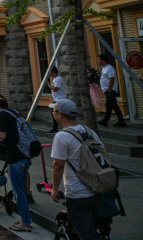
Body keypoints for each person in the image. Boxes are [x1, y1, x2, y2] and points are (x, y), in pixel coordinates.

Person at [50, 99, 105, 240]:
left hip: (77, 193)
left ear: (60, 115)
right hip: (96, 189)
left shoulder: (62, 136)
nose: (53, 114)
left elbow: (58, 165)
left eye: (54, 111)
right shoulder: (89, 131)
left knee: (86, 234)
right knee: (92, 229)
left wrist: (55, 188)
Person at [0, 93, 33, 233]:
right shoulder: (14, 112)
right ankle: (25, 218)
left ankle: (25, 223)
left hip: (14, 156)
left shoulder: (1, 115)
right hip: (26, 153)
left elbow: (2, 135)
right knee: (23, 186)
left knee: (18, 191)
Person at [98, 54, 126, 127]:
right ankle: (121, 120)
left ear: (103, 60)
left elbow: (112, 79)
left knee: (109, 105)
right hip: (107, 90)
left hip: (111, 90)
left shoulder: (109, 68)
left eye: (99, 59)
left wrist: (109, 89)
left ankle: (106, 120)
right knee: (113, 105)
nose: (98, 60)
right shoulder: (104, 68)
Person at [48, 67, 66, 133]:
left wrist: (48, 84)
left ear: (53, 72)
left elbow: (55, 89)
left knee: (55, 113)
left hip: (59, 99)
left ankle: (57, 127)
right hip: (57, 99)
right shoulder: (55, 79)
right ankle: (55, 127)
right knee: (54, 113)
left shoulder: (58, 79)